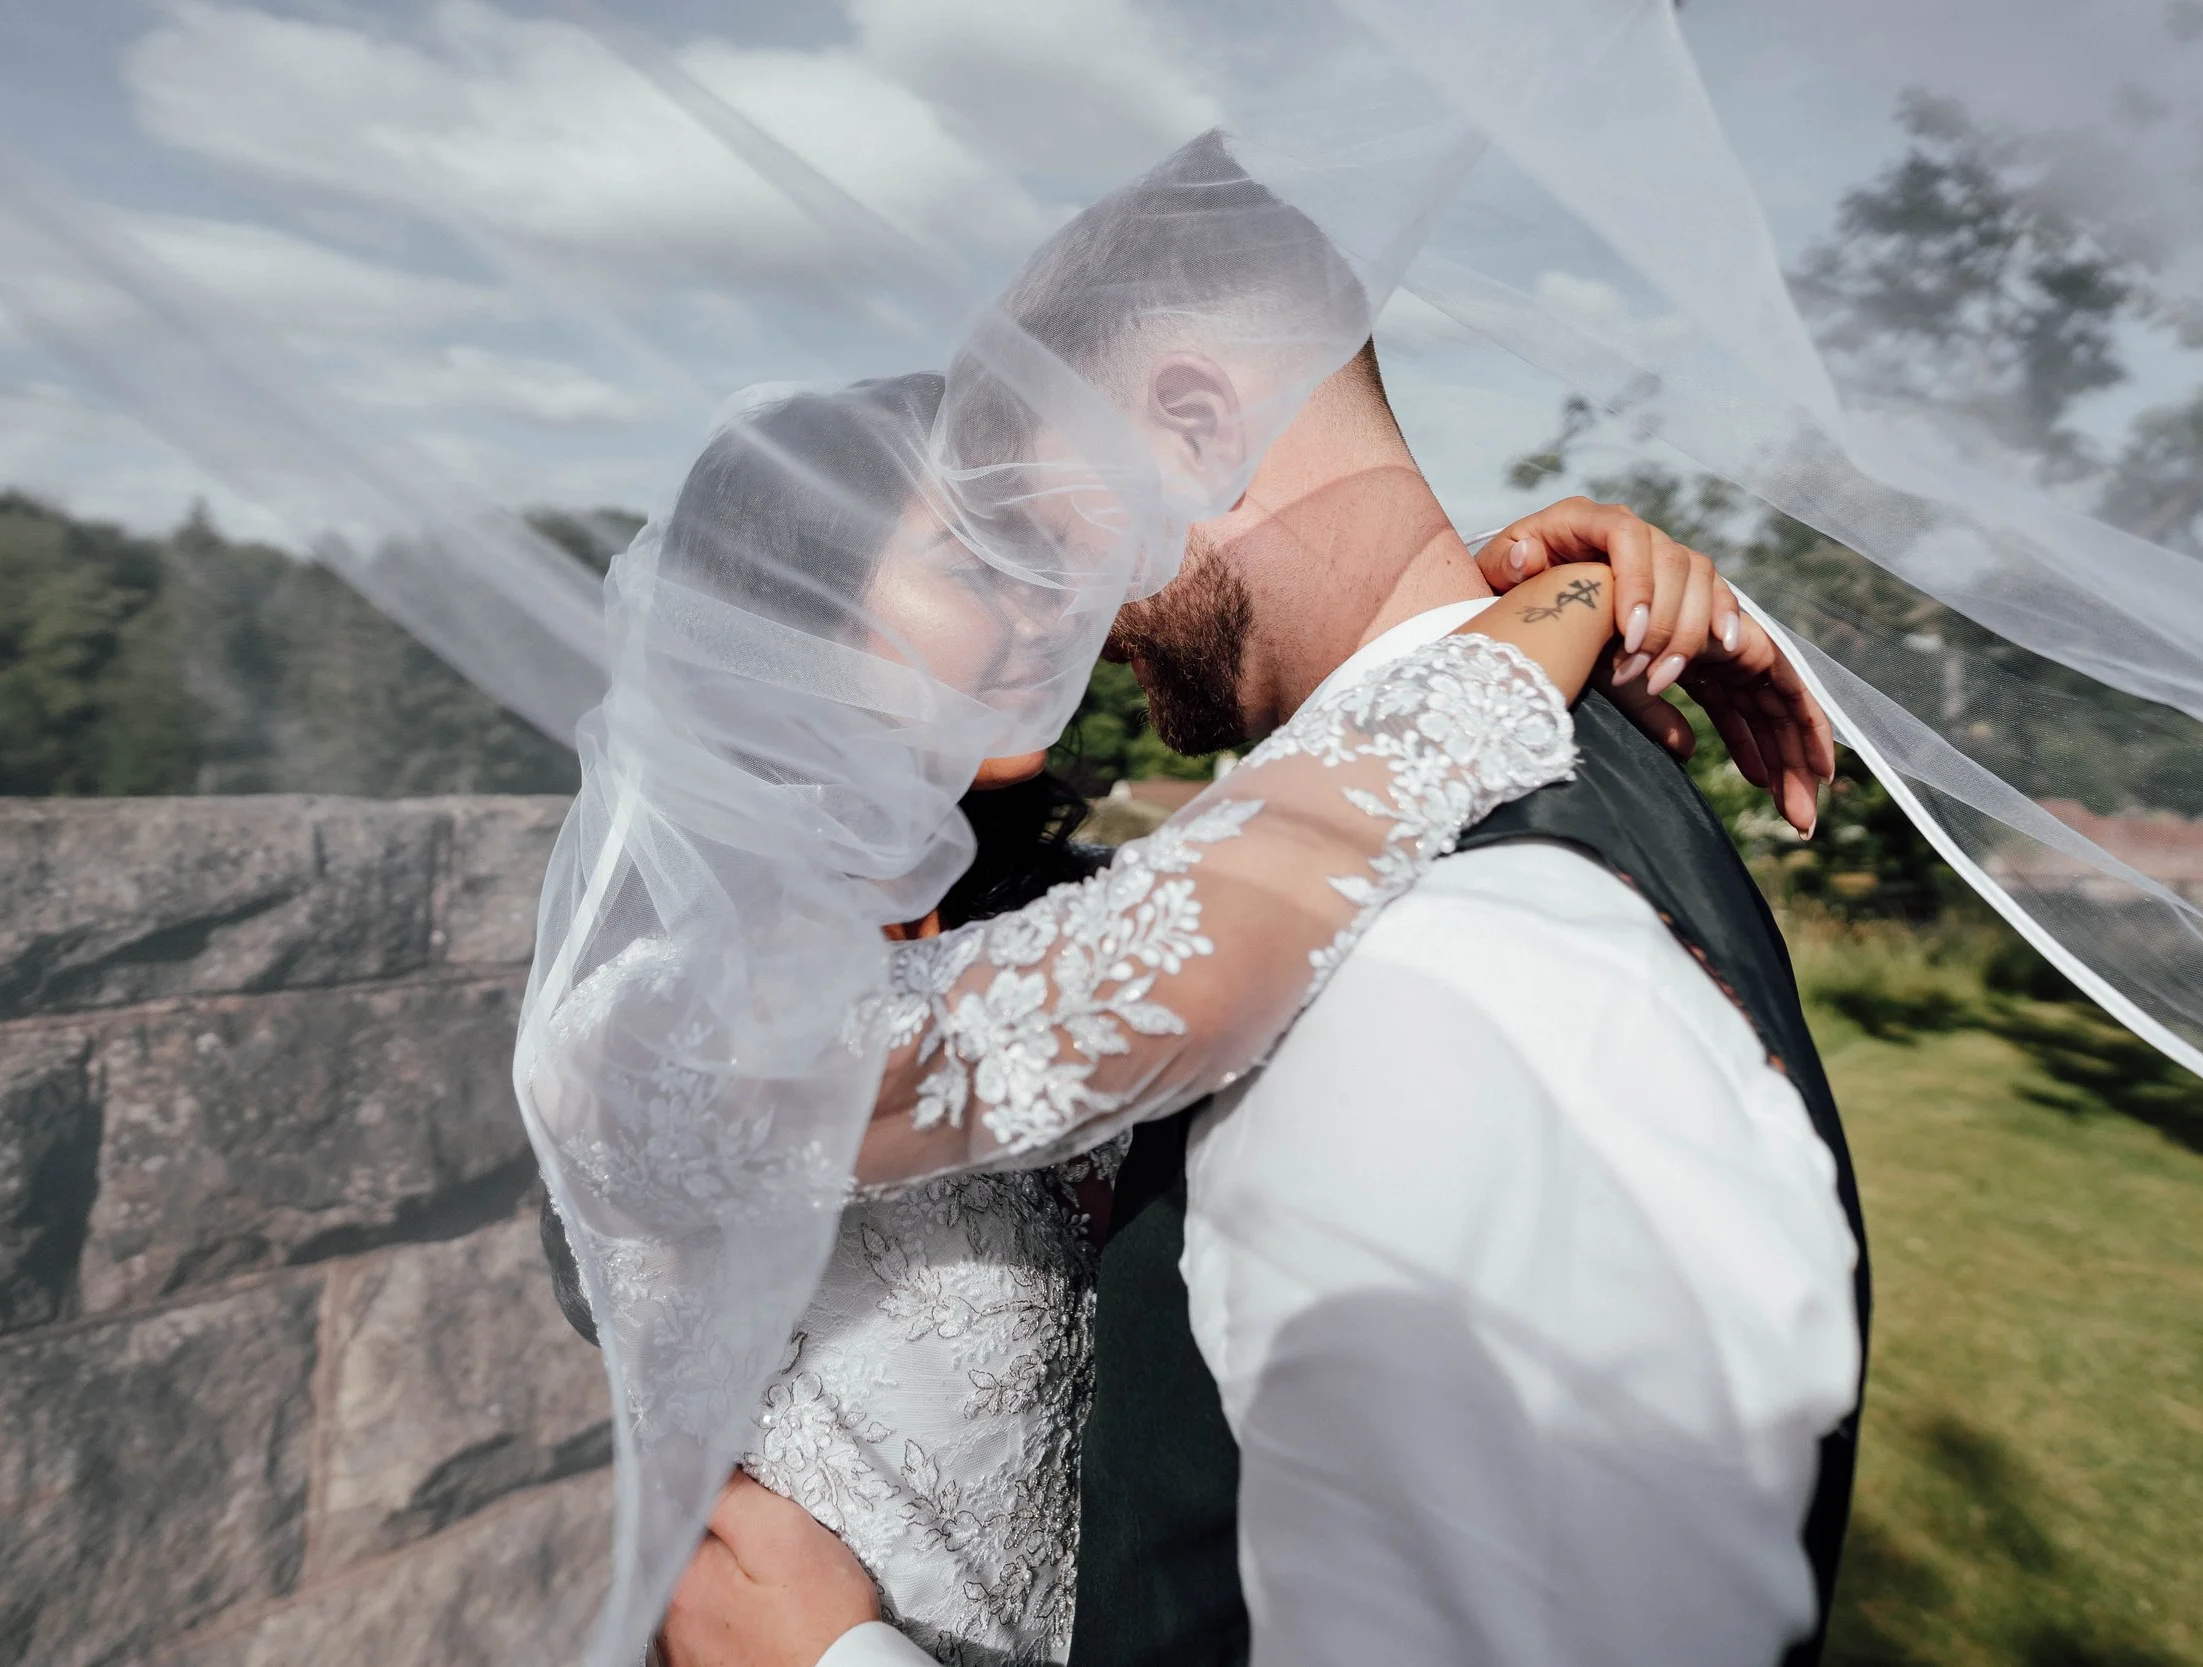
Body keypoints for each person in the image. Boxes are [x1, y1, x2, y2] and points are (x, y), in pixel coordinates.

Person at [650, 137, 1865, 1667]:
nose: (1066, 611)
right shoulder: (684, 1016)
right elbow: (1204, 937)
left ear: (1195, 424)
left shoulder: (1430, 959)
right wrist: (1546, 606)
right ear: (793, 634)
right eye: (988, 549)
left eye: (1035, 522)